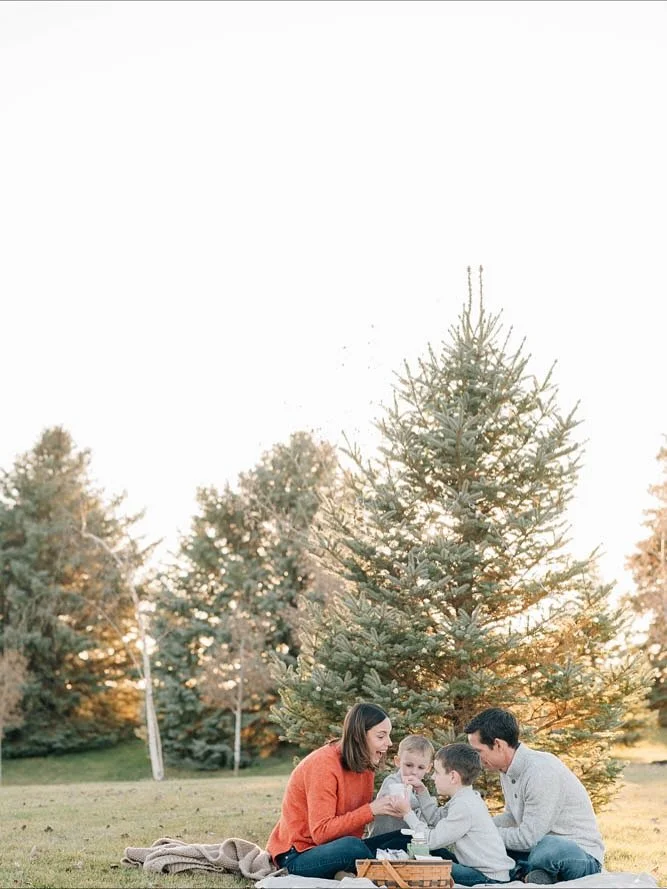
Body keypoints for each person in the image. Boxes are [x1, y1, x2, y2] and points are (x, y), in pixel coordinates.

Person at [266, 702, 413, 880]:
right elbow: (320, 833)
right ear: (359, 737)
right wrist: (372, 810)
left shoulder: (364, 764)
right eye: (381, 736)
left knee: (406, 839)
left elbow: (352, 824)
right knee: (354, 847)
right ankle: (388, 869)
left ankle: (448, 868)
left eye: (388, 736)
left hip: (336, 848)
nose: (389, 743)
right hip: (297, 855)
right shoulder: (323, 765)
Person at [465, 708, 605, 885]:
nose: (477, 758)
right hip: (536, 848)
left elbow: (528, 838)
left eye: (478, 751)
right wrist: (477, 826)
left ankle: (523, 871)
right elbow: (512, 817)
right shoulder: (506, 769)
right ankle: (535, 875)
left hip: (579, 854)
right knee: (484, 850)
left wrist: (486, 833)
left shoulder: (540, 772)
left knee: (548, 847)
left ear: (498, 745)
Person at [392, 743, 514, 886]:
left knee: (425, 865)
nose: (432, 777)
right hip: (478, 869)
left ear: (453, 777)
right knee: (436, 855)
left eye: (437, 772)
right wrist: (422, 791)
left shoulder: (465, 806)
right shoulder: (464, 797)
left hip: (488, 876)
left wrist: (407, 813)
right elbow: (436, 819)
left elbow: (430, 841)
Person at [367, 733, 440, 836]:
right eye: (409, 765)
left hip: (404, 839)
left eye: (421, 767)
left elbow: (430, 816)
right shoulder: (392, 781)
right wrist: (425, 800)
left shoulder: (418, 788)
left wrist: (422, 792)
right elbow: (403, 802)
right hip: (382, 838)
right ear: (398, 761)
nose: (414, 772)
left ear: (428, 768)